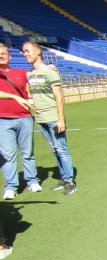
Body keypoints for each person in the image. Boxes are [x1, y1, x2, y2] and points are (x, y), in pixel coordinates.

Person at [21, 41, 76, 195]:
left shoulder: (50, 72)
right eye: (23, 51)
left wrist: (61, 119)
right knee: (54, 149)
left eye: (27, 51)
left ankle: (70, 181)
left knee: (61, 149)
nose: (25, 54)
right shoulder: (30, 74)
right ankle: (63, 177)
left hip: (53, 117)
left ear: (38, 52)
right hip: (40, 118)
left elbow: (59, 96)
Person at [0, 43, 42, 201]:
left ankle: (32, 181)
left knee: (28, 153)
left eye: (4, 53)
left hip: (24, 118)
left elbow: (39, 74)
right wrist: (14, 97)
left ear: (9, 56)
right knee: (8, 156)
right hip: (3, 120)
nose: (1, 56)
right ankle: (11, 187)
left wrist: (50, 68)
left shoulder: (22, 73)